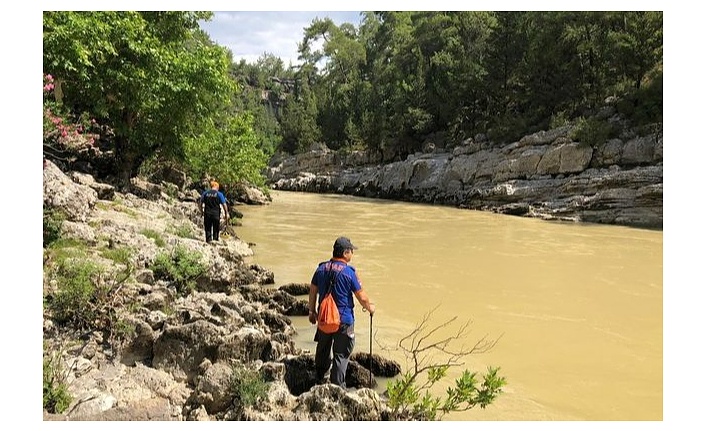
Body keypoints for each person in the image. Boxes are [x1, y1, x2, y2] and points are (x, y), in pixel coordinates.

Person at [308, 236, 376, 388]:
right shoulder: (349, 272)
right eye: (351, 251)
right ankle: (337, 388)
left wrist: (311, 312)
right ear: (345, 253)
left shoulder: (321, 269)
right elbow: (362, 297)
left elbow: (313, 291)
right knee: (341, 355)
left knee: (323, 349)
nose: (352, 253)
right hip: (343, 321)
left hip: (324, 319)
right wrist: (371, 308)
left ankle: (319, 378)